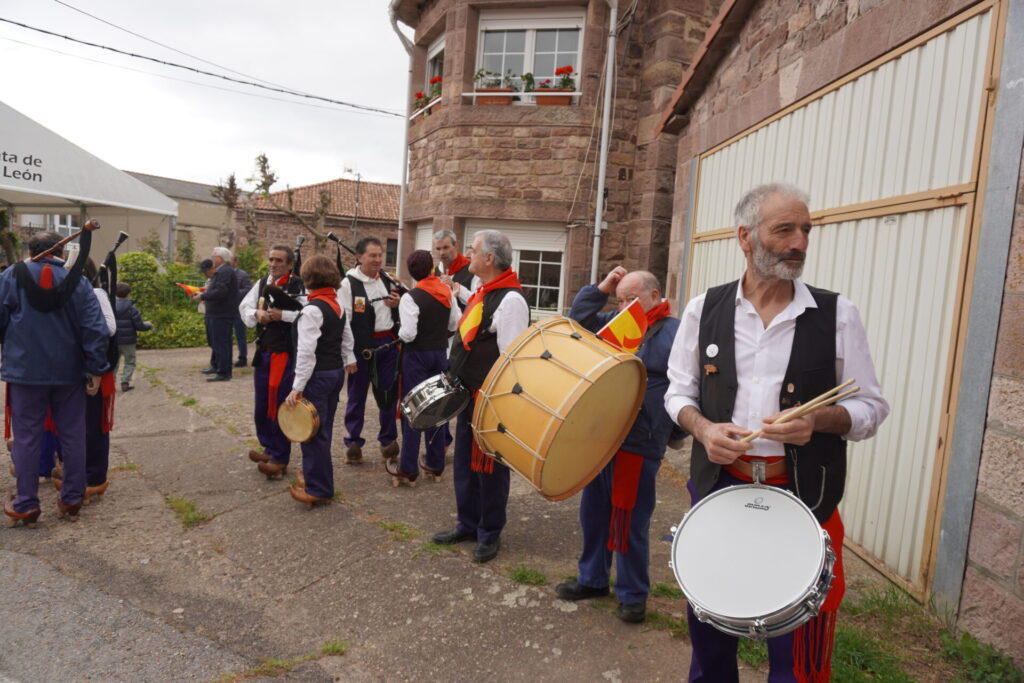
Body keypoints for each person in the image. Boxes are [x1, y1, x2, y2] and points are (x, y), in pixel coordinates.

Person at [663, 183, 891, 682]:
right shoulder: (705, 309)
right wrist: (702, 428)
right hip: (722, 488)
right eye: (783, 229)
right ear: (744, 237)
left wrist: (819, 421)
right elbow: (677, 394)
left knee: (801, 655)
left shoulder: (836, 315)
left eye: (805, 230)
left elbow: (872, 408)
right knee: (711, 633)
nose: (799, 243)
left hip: (803, 496)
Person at [555, 267, 682, 624]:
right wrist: (603, 288)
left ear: (655, 298)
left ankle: (632, 593)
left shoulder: (675, 332)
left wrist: (671, 432)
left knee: (628, 518)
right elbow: (576, 321)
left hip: (639, 441)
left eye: (632, 299)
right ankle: (592, 579)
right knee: (593, 513)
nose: (624, 305)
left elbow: (688, 385)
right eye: (621, 299)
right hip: (602, 435)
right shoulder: (616, 321)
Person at [431, 229, 529, 563]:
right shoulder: (482, 291)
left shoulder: (511, 300)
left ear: (489, 258)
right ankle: (467, 524)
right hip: (468, 393)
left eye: (473, 250)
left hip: (490, 400)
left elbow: (511, 360)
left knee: (488, 468)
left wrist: (495, 405)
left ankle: (490, 532)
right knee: (464, 464)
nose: (467, 255)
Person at [1, 231, 110, 527]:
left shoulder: (12, 275)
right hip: (69, 371)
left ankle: (26, 503)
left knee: (26, 437)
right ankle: (72, 498)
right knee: (73, 434)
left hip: (25, 372)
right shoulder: (78, 280)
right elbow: (94, 327)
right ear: (61, 253)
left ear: (30, 250)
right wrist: (96, 368)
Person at [285, 255, 357, 508]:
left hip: (317, 376)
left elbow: (306, 353)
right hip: (335, 373)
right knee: (321, 429)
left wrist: (297, 387)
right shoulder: (336, 305)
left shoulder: (313, 309)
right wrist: (348, 359)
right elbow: (348, 339)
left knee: (312, 433)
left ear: (308, 279)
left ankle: (319, 488)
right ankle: (315, 476)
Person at [389, 249, 460, 486]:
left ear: (411, 271)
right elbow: (455, 323)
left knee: (413, 410)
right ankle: (435, 462)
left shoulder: (411, 297)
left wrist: (398, 331)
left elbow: (408, 335)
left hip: (416, 358)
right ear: (431, 267)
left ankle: (408, 467)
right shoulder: (446, 291)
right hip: (440, 355)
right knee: (437, 409)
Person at [239, 245, 307, 479]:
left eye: (279, 261)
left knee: (279, 404)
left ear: (290, 264)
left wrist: (283, 316)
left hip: (285, 354)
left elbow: (311, 313)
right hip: (264, 351)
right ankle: (268, 447)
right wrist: (256, 314)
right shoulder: (261, 283)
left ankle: (280, 457)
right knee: (262, 405)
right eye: (271, 259)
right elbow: (244, 307)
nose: (274, 264)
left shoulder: (298, 285)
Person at [339, 237, 401, 464]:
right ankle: (353, 441)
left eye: (380, 255)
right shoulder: (348, 284)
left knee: (387, 394)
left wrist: (397, 304)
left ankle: (388, 440)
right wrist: (348, 354)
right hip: (360, 347)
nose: (377, 260)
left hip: (387, 344)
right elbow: (344, 321)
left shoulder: (387, 279)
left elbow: (403, 307)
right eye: (372, 255)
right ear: (359, 257)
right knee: (356, 396)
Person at [193, 247, 238, 382]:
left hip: (222, 313)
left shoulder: (225, 271)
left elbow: (220, 292)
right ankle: (217, 365)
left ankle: (223, 372)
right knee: (217, 342)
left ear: (220, 258)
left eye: (213, 256)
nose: (212, 258)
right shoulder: (222, 271)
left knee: (221, 343)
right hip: (216, 313)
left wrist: (203, 296)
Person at [115, 282, 152, 391]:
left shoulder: (111, 306)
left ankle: (110, 383)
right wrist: (148, 325)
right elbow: (139, 326)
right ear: (128, 293)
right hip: (129, 341)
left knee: (114, 362)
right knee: (130, 361)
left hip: (114, 340)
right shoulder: (132, 308)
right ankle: (125, 382)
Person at [433, 229, 473, 309]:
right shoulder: (435, 271)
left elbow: (478, 300)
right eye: (438, 249)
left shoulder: (472, 270)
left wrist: (453, 285)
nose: (442, 253)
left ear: (456, 246)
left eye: (446, 247)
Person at [231, 254, 252, 368]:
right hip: (227, 310)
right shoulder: (224, 274)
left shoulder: (242, 275)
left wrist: (234, 293)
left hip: (239, 309)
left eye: (231, 262)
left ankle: (242, 358)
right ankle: (227, 358)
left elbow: (248, 289)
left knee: (240, 335)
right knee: (226, 336)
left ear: (236, 262)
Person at [197, 259, 216, 375]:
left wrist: (204, 295)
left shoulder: (217, 279)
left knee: (216, 341)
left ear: (210, 269)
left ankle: (216, 365)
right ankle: (214, 364)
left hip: (215, 313)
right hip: (208, 312)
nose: (203, 274)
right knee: (211, 341)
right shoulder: (210, 280)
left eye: (205, 271)